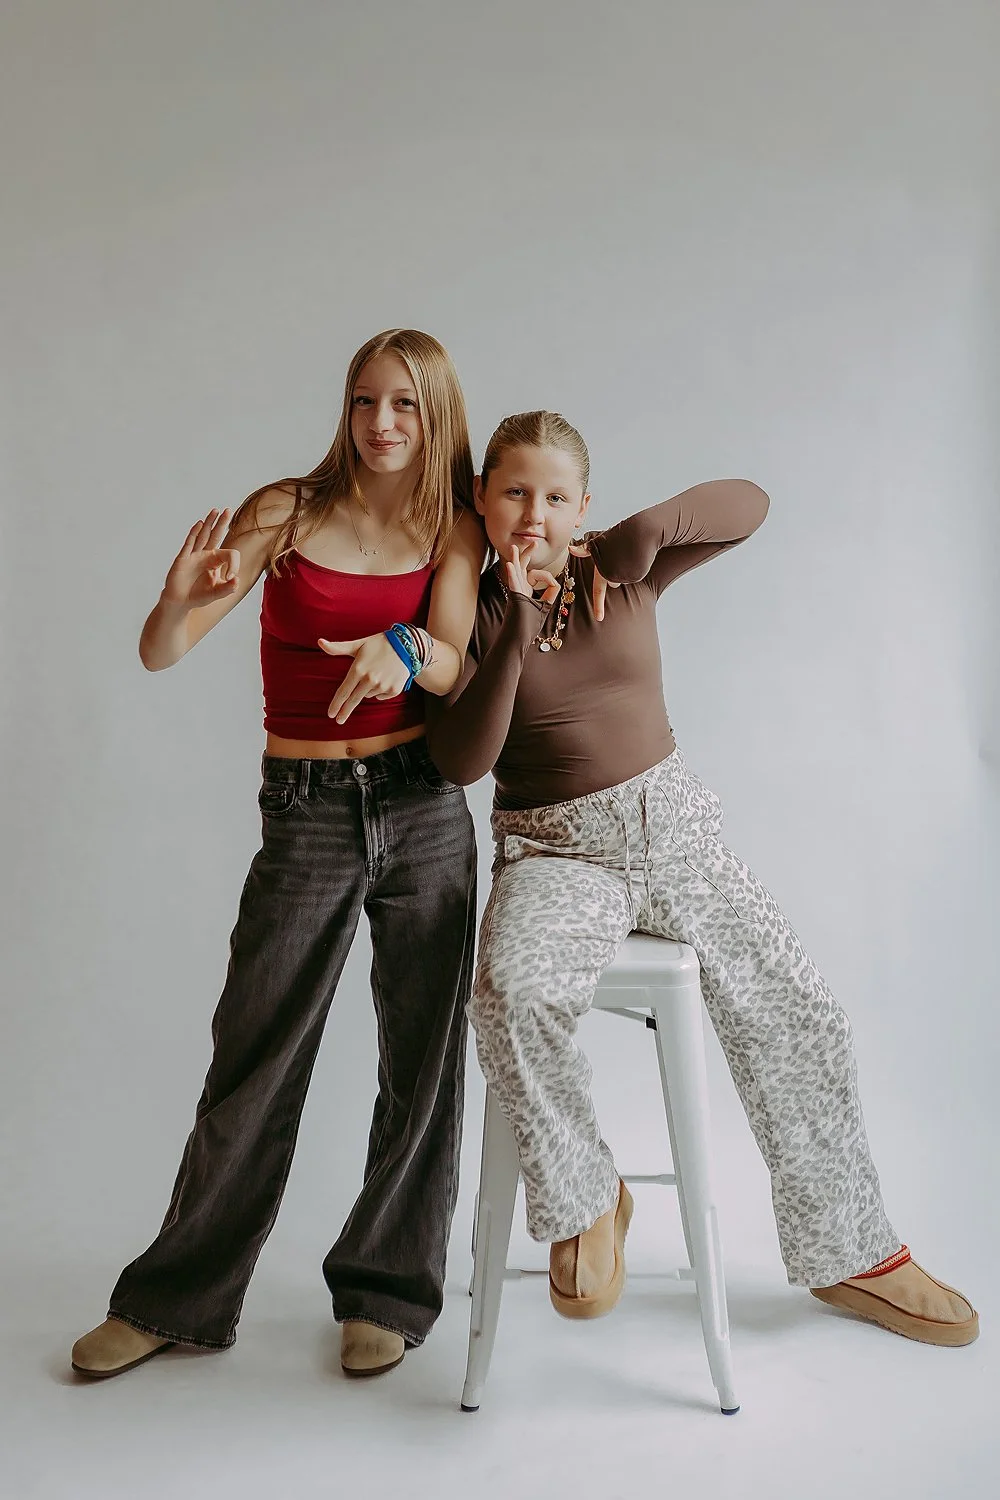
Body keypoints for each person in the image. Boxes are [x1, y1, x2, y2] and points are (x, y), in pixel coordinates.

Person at [425, 409, 978, 1347]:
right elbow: (462, 763)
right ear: (482, 501)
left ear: (582, 506)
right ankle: (589, 1199)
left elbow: (749, 505)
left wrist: (650, 532)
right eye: (514, 491)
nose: (534, 515)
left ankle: (855, 1254)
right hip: (558, 850)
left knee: (798, 1007)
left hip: (675, 827)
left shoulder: (617, 568)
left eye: (556, 497)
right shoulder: (466, 614)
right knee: (509, 991)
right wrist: (515, 626)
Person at [71, 329, 487, 1382]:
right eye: (362, 401)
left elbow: (445, 665)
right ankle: (178, 1299)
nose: (381, 423)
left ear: (434, 415)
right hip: (306, 808)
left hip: (420, 801)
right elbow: (162, 649)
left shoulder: (456, 528)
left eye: (403, 405)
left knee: (422, 1063)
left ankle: (387, 1293)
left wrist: (401, 650)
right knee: (253, 1055)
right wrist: (180, 592)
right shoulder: (285, 513)